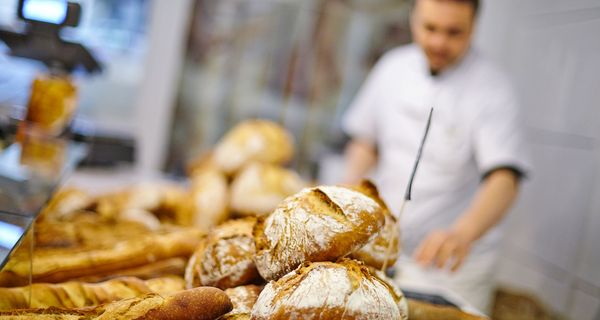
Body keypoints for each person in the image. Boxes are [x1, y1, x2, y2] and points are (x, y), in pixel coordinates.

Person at [342, 0, 530, 313]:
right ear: (414, 19)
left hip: (451, 269)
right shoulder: (392, 67)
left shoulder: (493, 89)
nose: (438, 42)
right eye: (430, 28)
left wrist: (462, 232)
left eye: (454, 33)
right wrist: (349, 187)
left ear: (474, 27)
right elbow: (366, 141)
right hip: (384, 252)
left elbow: (505, 178)